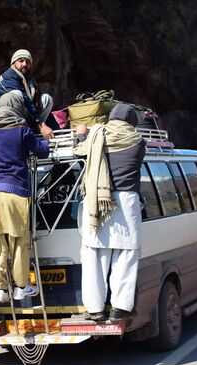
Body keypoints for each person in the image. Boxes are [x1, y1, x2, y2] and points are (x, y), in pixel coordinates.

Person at [74, 103, 145, 322]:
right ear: (131, 122)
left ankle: (95, 309)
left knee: (94, 255)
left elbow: (80, 152)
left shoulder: (97, 136)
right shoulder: (138, 141)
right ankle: (120, 308)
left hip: (97, 200)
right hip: (127, 202)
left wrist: (80, 136)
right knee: (125, 255)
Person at [0, 93, 50, 303]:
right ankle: (21, 286)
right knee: (19, 241)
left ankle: (0, 289)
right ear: (17, 107)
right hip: (16, 191)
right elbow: (41, 152)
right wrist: (45, 139)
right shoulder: (21, 129)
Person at [0, 48, 55, 140]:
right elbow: (25, 99)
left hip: (21, 113)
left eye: (27, 62)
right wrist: (41, 124)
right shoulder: (8, 76)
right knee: (17, 94)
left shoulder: (30, 81)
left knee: (46, 99)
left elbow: (36, 105)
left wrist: (53, 128)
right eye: (21, 61)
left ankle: (33, 131)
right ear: (13, 63)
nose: (24, 64)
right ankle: (20, 132)